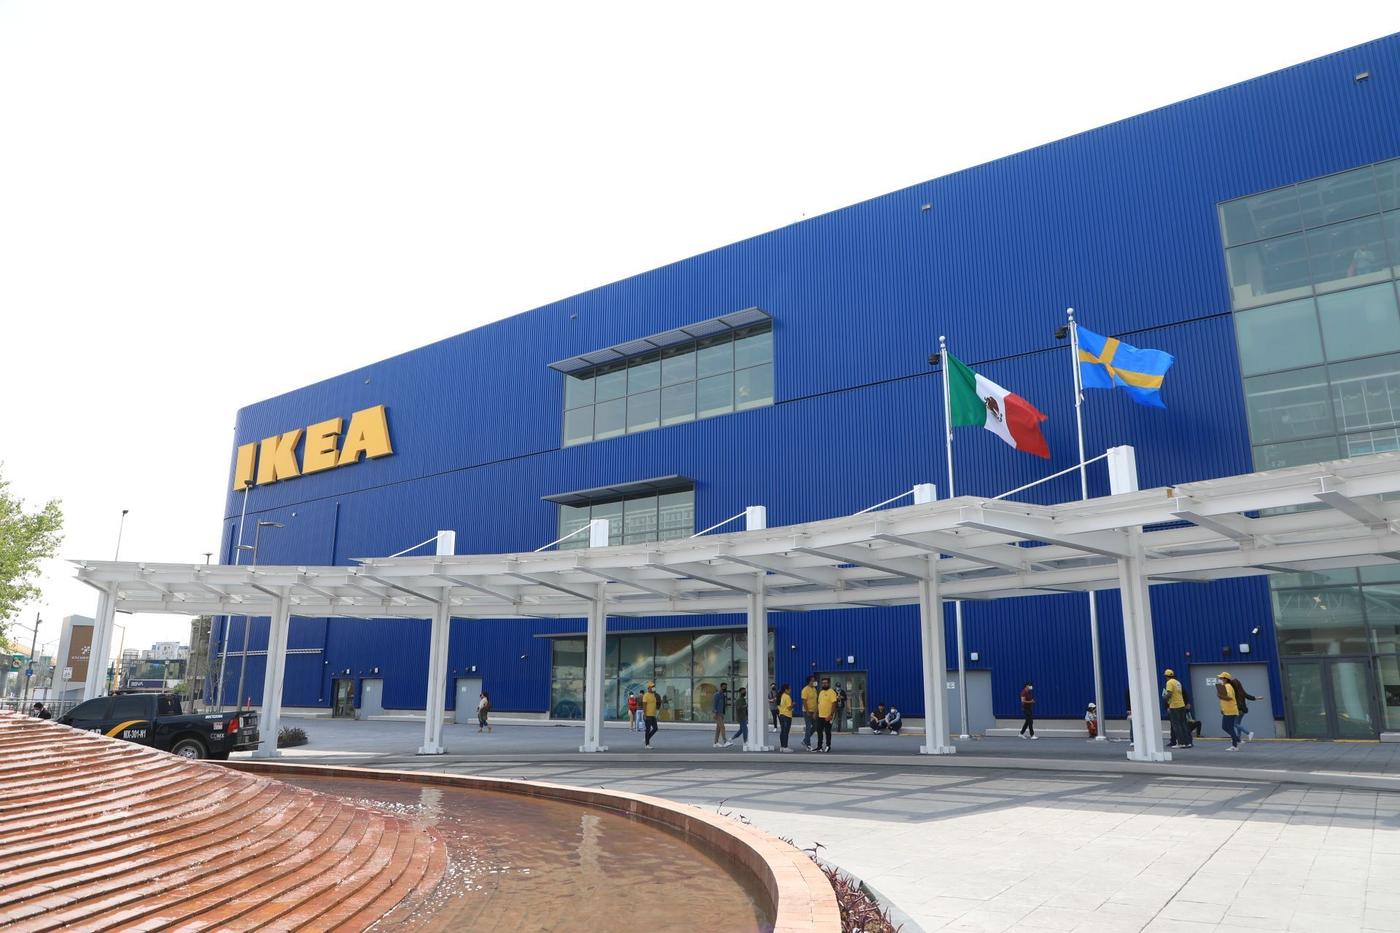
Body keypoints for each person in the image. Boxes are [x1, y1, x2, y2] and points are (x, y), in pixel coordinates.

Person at [1163, 668, 1192, 749]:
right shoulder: (1177, 682)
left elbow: (1169, 693)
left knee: (1177, 725)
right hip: (1181, 705)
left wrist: (1164, 698)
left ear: (1166, 676)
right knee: (1183, 724)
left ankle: (1181, 743)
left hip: (1174, 706)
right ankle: (1187, 742)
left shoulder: (1169, 682)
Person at [1228, 675, 1260, 742]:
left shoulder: (1233, 692)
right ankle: (1238, 739)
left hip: (1238, 710)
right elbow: (1248, 696)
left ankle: (1248, 733)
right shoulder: (1241, 691)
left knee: (1234, 724)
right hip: (1243, 711)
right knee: (1238, 724)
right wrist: (1257, 698)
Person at [1217, 671, 1242, 751]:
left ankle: (1235, 745)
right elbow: (1224, 699)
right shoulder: (1225, 686)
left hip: (1231, 710)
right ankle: (1236, 740)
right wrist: (1222, 709)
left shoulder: (1228, 686)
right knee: (1225, 727)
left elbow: (1229, 697)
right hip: (1227, 710)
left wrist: (1219, 696)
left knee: (1228, 727)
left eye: (1221, 678)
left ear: (1225, 679)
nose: (1219, 679)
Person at [815, 677, 838, 752]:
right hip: (820, 715)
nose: (824, 684)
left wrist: (831, 715)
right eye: (823, 683)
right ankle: (819, 746)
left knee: (827, 732)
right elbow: (819, 703)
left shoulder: (832, 692)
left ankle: (828, 745)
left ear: (829, 683)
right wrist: (817, 713)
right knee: (819, 731)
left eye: (826, 683)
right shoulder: (821, 692)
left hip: (828, 716)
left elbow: (834, 704)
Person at [801, 675, 819, 749]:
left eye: (814, 680)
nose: (813, 682)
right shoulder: (805, 689)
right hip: (807, 711)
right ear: (809, 681)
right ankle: (808, 744)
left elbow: (816, 701)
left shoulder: (814, 689)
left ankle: (805, 740)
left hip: (813, 711)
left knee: (815, 726)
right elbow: (804, 701)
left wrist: (815, 712)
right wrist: (807, 711)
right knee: (808, 727)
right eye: (812, 680)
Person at [642, 681, 660, 749]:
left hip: (653, 715)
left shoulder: (653, 695)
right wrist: (644, 714)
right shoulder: (646, 695)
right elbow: (644, 705)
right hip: (648, 715)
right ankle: (647, 745)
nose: (653, 688)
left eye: (654, 686)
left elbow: (654, 704)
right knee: (648, 729)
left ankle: (646, 739)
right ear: (649, 688)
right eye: (652, 687)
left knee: (655, 728)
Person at [777, 683, 794, 752]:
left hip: (781, 715)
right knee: (786, 732)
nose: (790, 690)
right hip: (787, 715)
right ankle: (785, 747)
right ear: (786, 690)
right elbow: (789, 708)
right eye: (789, 689)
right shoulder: (787, 697)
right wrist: (793, 704)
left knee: (783, 731)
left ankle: (782, 746)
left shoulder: (781, 696)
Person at [713, 682, 730, 748]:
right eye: (724, 687)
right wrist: (715, 714)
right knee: (722, 727)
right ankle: (725, 741)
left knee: (718, 728)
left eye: (726, 687)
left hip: (721, 714)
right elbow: (714, 705)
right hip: (717, 714)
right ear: (721, 687)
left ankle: (715, 743)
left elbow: (722, 705)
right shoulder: (716, 695)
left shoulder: (723, 695)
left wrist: (723, 713)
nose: (725, 688)